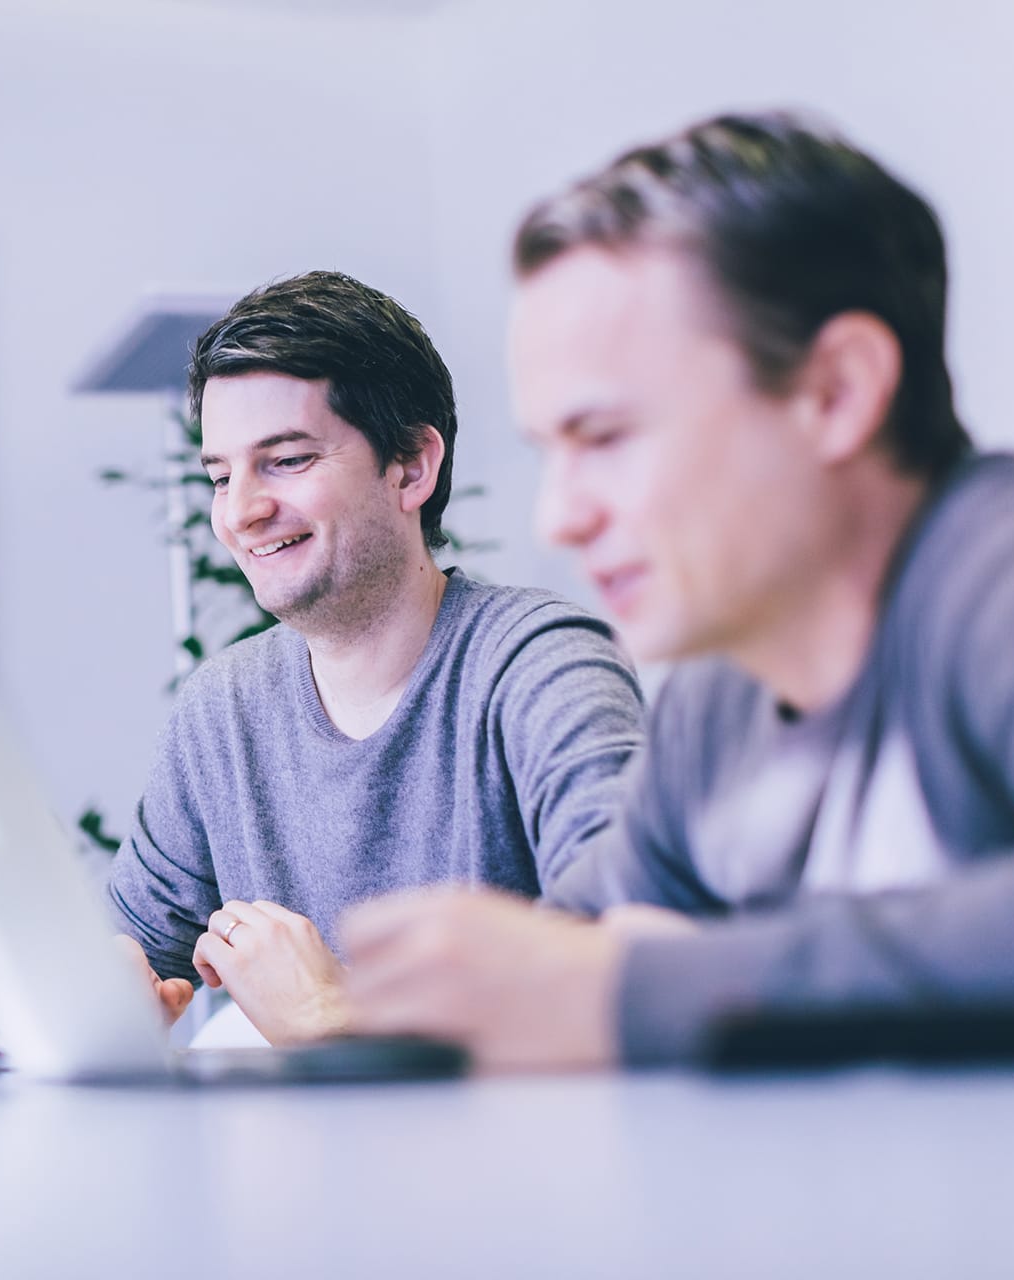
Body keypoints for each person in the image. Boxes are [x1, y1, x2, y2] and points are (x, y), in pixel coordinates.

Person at [342, 111, 1014, 1070]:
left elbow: (610, 986)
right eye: (549, 452)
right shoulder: (720, 697)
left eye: (604, 438)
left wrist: (645, 991)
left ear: (836, 393)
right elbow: (574, 957)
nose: (558, 519)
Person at [107, 270, 645, 1044]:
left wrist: (337, 1021)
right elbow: (137, 950)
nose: (241, 511)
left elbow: (625, 983)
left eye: (287, 460)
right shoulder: (222, 708)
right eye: (220, 475)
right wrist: (111, 996)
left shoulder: (540, 665)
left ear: (412, 466)